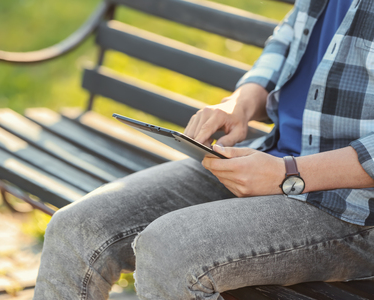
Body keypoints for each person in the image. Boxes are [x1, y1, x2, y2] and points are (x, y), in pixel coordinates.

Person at [33, 0, 374, 299]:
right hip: (270, 157)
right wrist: (239, 104)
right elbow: (290, 38)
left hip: (351, 208)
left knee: (170, 250)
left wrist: (288, 175)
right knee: (76, 227)